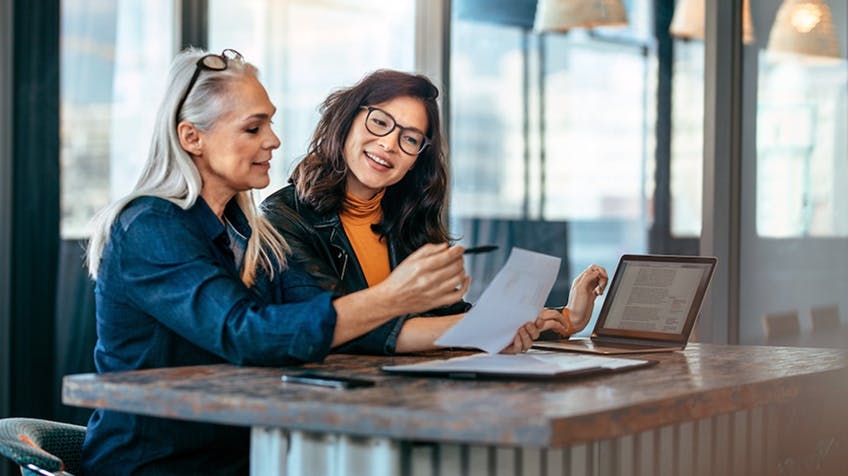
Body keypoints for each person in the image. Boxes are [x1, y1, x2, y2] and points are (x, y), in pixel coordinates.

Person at [81, 49, 523, 475]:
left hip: (248, 455)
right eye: (253, 128)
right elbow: (247, 334)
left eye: (270, 123)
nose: (273, 140)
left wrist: (492, 324)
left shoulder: (250, 233)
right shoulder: (149, 227)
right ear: (191, 137)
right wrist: (394, 296)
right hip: (162, 465)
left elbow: (316, 316)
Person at [261, 69, 609, 352]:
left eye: (410, 139)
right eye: (379, 122)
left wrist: (567, 318)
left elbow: (449, 318)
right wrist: (483, 329)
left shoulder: (408, 220)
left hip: (409, 394)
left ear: (416, 160)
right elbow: (337, 327)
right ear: (347, 121)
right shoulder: (283, 218)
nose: (389, 144)